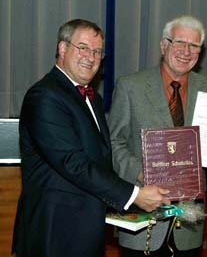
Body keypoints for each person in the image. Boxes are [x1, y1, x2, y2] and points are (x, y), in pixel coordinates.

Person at [12, 19, 170, 257]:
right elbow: (73, 163)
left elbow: (102, 159)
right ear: (62, 48)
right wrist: (134, 194)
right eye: (83, 48)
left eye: (97, 52)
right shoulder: (45, 96)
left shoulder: (92, 99)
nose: (91, 57)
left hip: (87, 229)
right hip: (54, 232)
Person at [108, 15, 207, 257]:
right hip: (144, 218)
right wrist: (141, 173)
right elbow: (114, 143)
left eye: (194, 46)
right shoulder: (130, 86)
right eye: (179, 43)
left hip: (189, 225)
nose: (186, 51)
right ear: (164, 45)